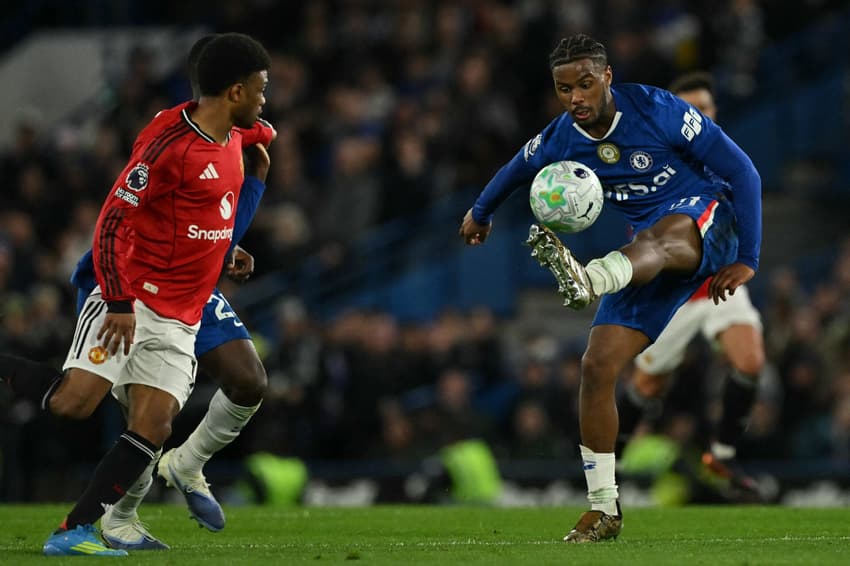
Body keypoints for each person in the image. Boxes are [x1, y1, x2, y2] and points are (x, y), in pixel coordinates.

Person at [458, 34, 761, 542]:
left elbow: (742, 170)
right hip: (643, 261)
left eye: (584, 83)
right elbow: (518, 166)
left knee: (659, 237)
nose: (575, 97)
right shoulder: (562, 137)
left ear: (607, 77)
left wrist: (749, 258)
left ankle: (592, 277)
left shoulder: (659, 110)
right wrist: (480, 211)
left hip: (708, 221)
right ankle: (604, 509)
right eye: (563, 88)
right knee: (596, 367)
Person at [0, 35, 275, 552]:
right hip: (132, 293)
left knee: (155, 422)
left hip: (185, 311)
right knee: (73, 404)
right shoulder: (168, 146)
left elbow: (254, 154)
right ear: (235, 91)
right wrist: (121, 304)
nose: (266, 99)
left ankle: (74, 532)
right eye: (260, 89)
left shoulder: (241, 133)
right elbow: (108, 225)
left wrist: (227, 244)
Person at [618, 71, 765, 498]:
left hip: (720, 285)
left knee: (751, 360)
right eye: (691, 108)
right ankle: (611, 463)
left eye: (706, 107)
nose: (700, 115)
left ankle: (721, 454)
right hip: (673, 295)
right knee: (648, 385)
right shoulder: (654, 163)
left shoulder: (731, 160)